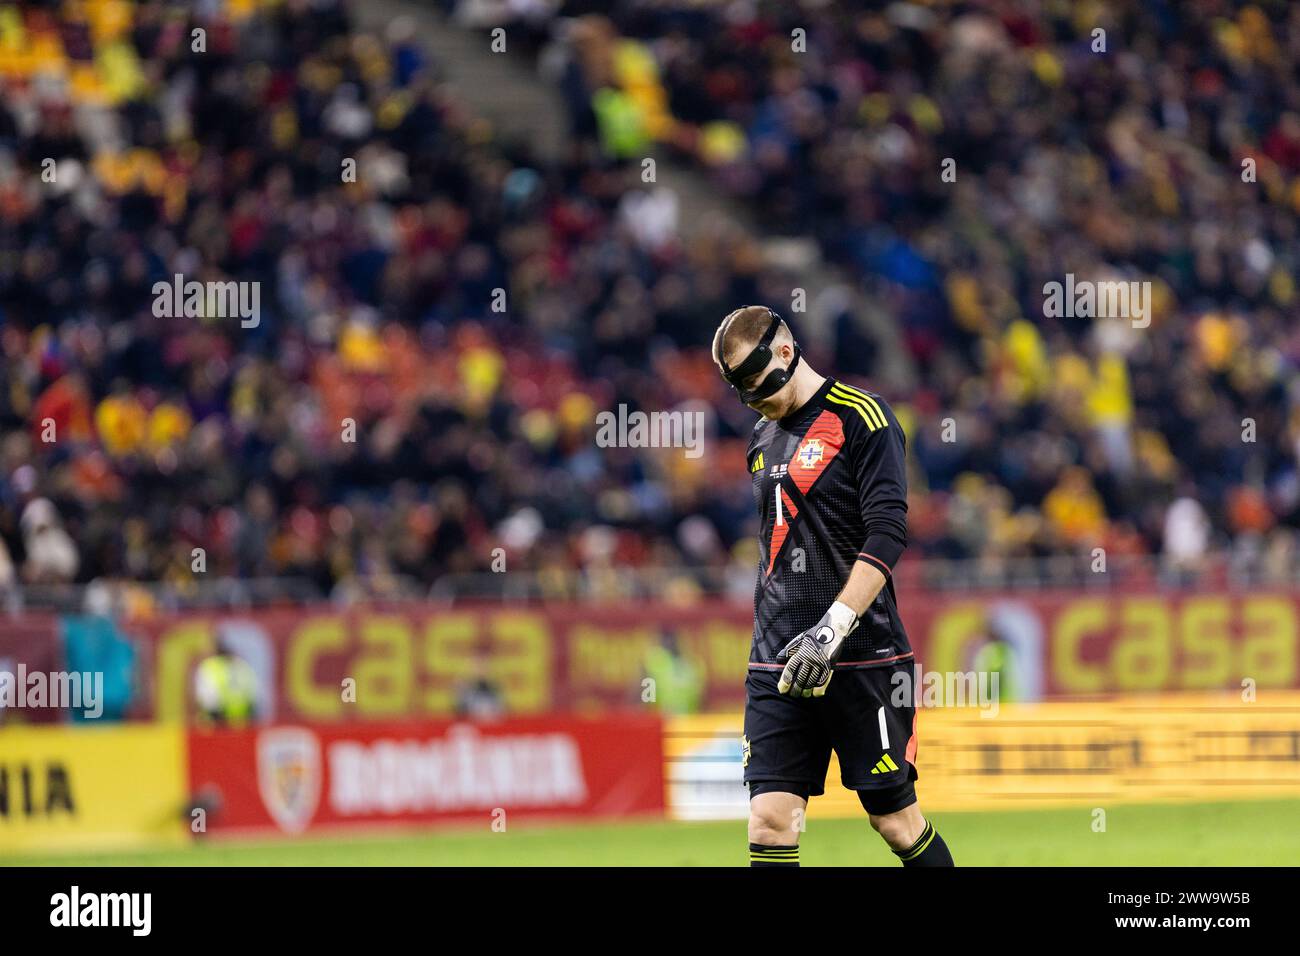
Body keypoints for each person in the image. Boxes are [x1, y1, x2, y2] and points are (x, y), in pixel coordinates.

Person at [712, 305, 953, 867]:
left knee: (893, 819)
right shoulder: (761, 438)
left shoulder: (862, 417)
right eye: (741, 392)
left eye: (758, 384)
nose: (753, 400)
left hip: (862, 655)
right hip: (776, 661)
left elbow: (890, 530)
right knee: (770, 822)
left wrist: (832, 626)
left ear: (785, 353)